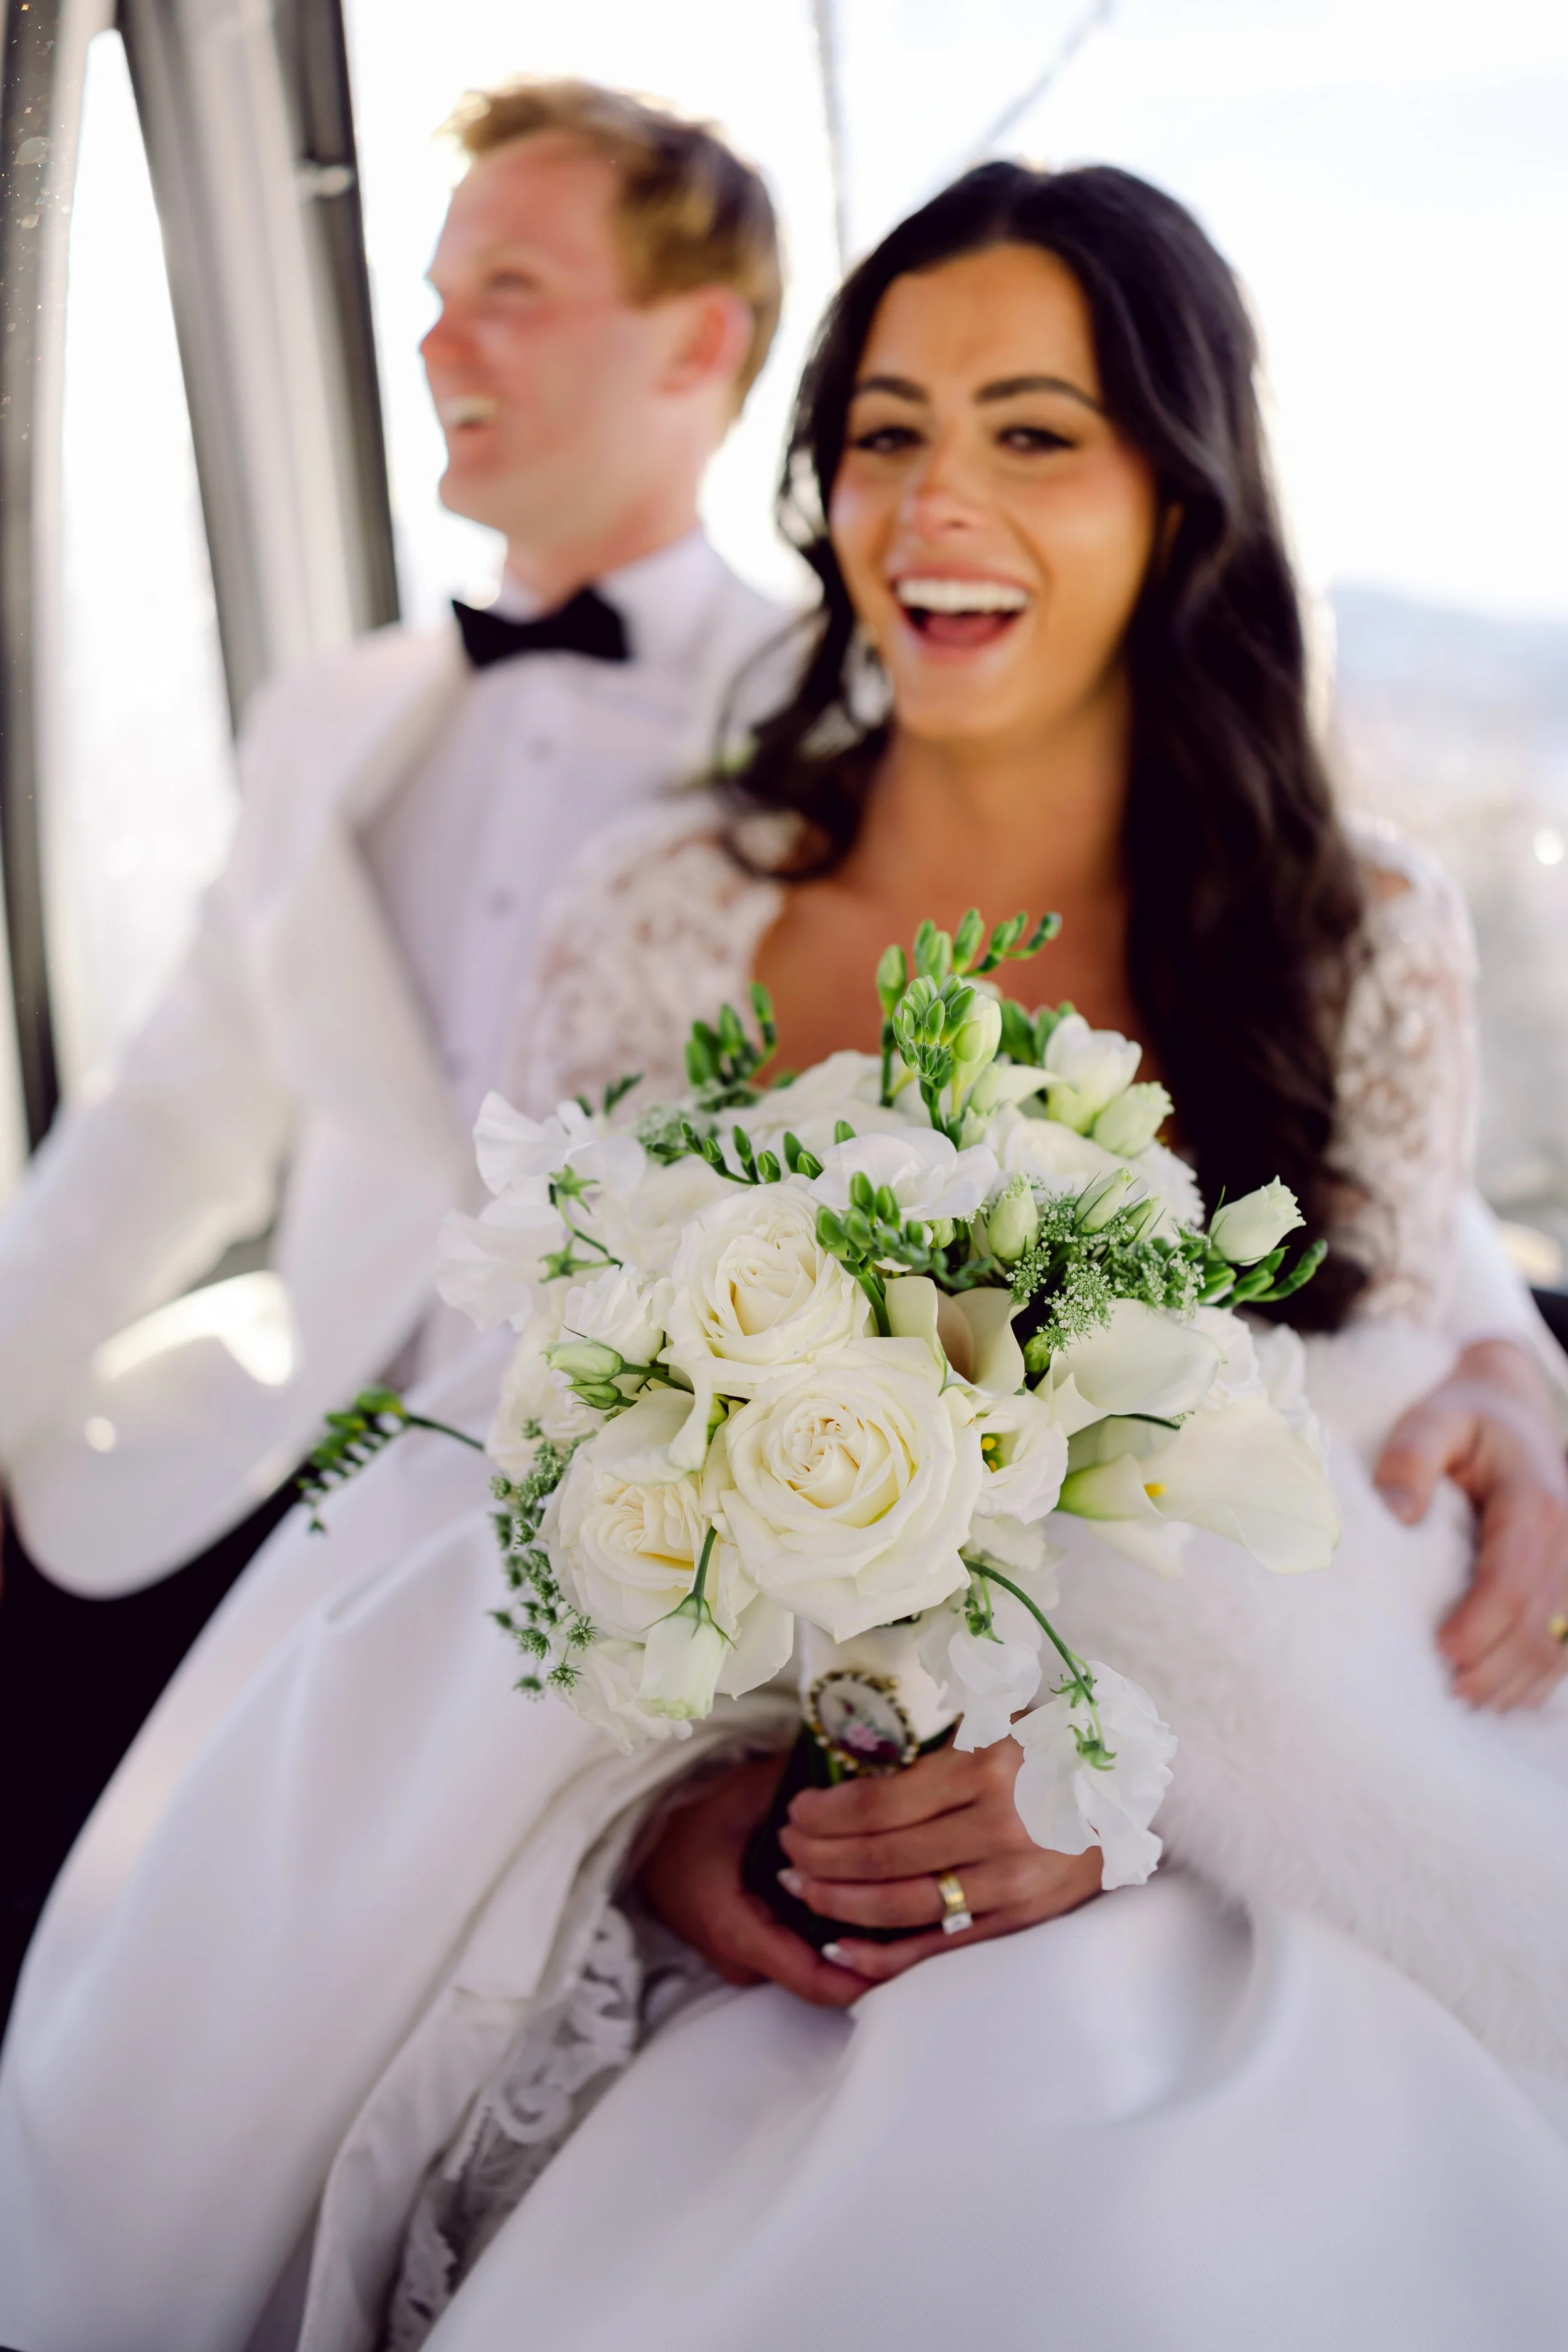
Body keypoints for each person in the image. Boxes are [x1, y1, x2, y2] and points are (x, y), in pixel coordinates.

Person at [4, 160, 1568, 2352]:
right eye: (885, 431)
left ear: (1182, 496)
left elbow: (1395, 1345)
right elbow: (518, 1425)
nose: (933, 500)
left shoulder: (1357, 929)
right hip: (704, 1800)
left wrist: (1123, 1767)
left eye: (1035, 432)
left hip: (1209, 1816)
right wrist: (667, 1828)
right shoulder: (663, 908)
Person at [0, 77, 790, 2007]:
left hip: (592, 1580)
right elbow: (168, 1119)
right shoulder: (326, 716)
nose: (436, 342)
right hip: (236, 1467)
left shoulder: (832, 735)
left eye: (505, 287)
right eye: (429, 292)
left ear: (699, 341)